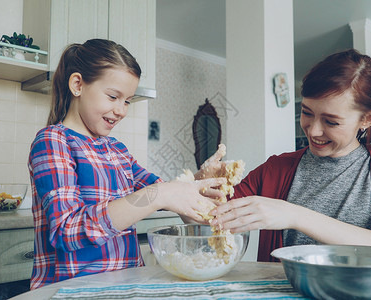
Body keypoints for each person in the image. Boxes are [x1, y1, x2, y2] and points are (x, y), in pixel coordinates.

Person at [207, 49, 371, 274]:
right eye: (307, 112)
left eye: (331, 122)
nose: (313, 130)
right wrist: (202, 189)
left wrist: (295, 216)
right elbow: (214, 214)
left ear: (368, 119)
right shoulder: (276, 169)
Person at [28, 39, 225, 289]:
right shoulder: (53, 141)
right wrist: (159, 195)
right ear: (77, 84)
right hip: (71, 290)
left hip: (126, 287)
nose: (121, 110)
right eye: (113, 97)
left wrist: (197, 184)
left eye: (128, 100)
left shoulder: (116, 150)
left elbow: (161, 190)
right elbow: (67, 230)